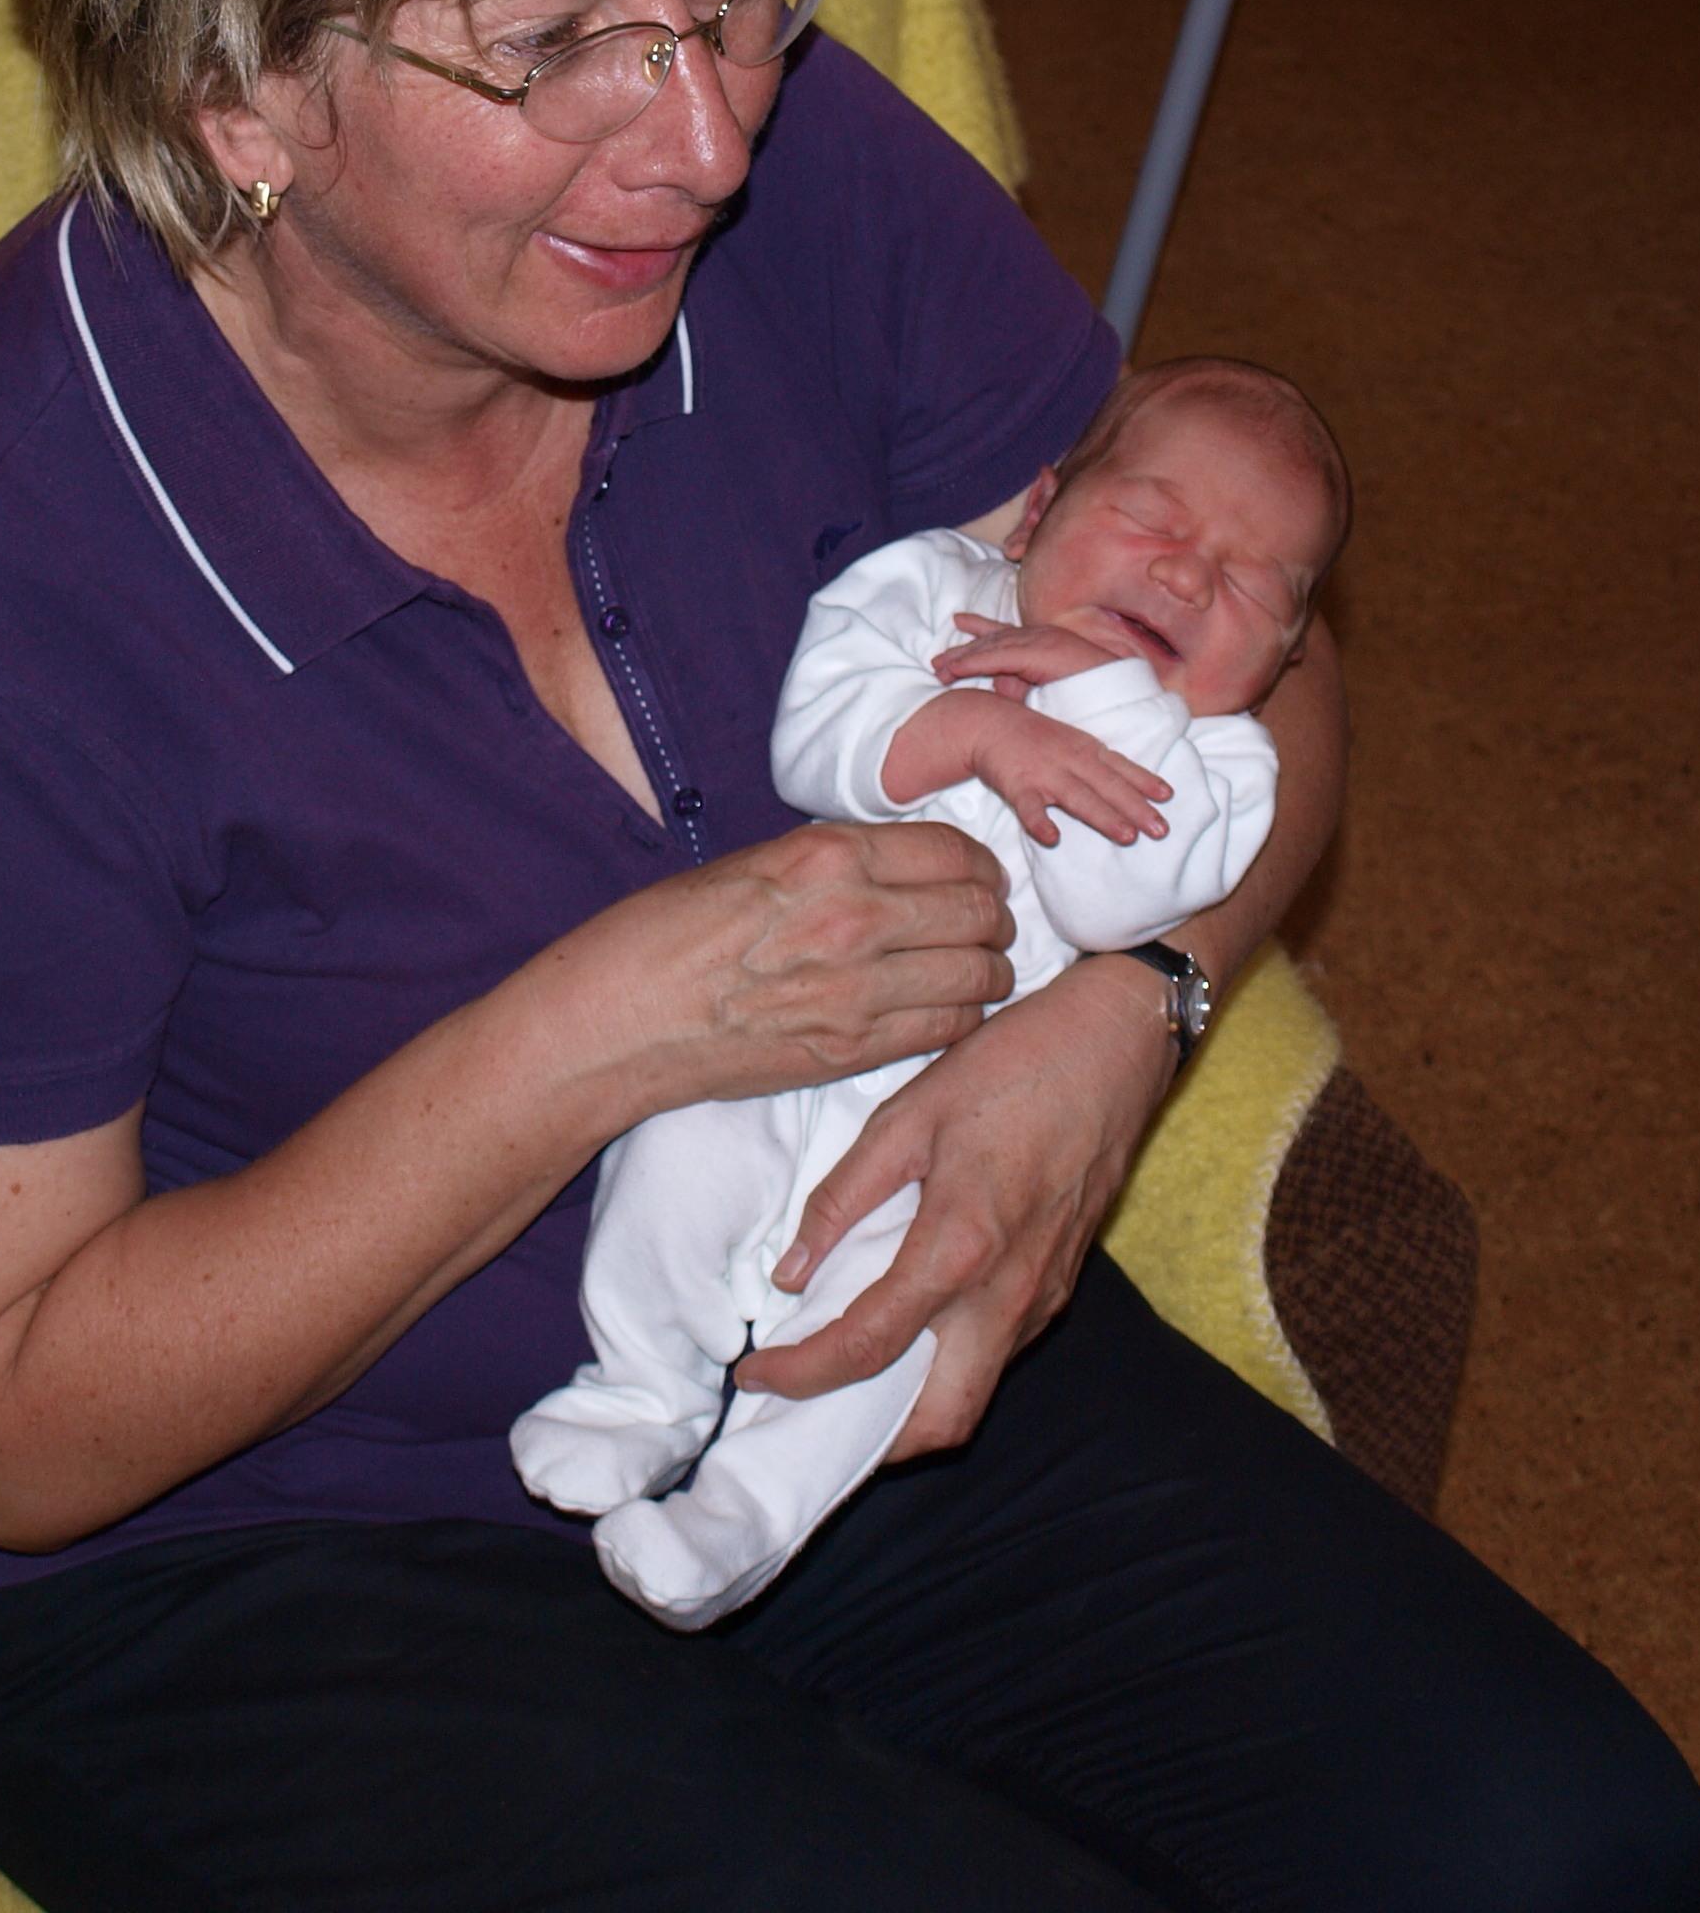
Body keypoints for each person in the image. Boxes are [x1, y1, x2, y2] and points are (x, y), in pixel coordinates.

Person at [0, 0, 1700, 1912]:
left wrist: (1123, 1023)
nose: (696, 135)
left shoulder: (799, 181)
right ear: (233, 82)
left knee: (1568, 1847)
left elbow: (1252, 655)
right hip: (245, 1544)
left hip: (804, 1300)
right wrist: (605, 1026)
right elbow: (14, 1423)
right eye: (548, 37)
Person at [516, 358, 1346, 1628]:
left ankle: (746, 1511)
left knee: (899, 1311)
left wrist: (1095, 695)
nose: (1186, 577)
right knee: (671, 1158)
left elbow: (1117, 903)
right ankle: (644, 1390)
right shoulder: (931, 592)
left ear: (1282, 659)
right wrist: (975, 732)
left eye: (1247, 587)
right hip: (787, 1033)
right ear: (1040, 510)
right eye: (1152, 519)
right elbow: (816, 737)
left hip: (964, 1114)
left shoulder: (1224, 765)